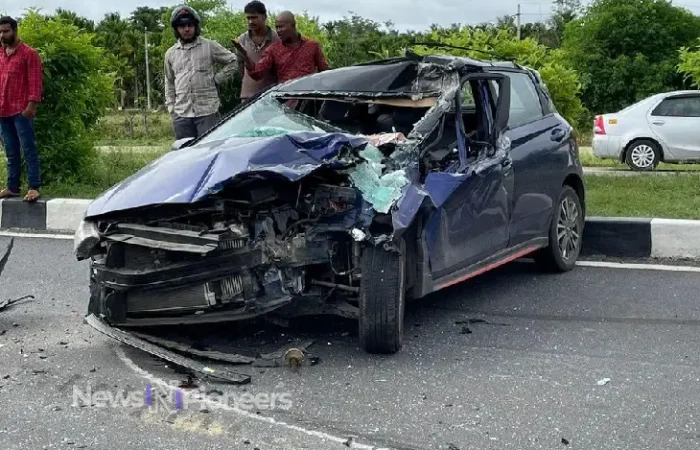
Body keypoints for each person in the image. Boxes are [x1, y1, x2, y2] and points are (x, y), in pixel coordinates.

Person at [164, 5, 239, 140]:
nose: (186, 29)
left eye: (190, 25)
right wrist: (171, 108)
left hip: (207, 111)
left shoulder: (209, 46)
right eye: (182, 26)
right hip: (182, 114)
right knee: (184, 154)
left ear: (195, 26)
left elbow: (233, 61)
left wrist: (218, 79)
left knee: (208, 150)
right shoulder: (171, 53)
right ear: (176, 29)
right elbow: (169, 81)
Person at [0, 16, 43, 202]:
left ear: (15, 30)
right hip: (3, 110)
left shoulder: (29, 54)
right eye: (0, 31)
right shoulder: (0, 54)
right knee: (11, 151)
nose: (2, 35)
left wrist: (31, 105)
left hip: (21, 110)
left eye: (6, 31)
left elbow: (35, 82)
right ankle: (13, 187)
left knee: (28, 148)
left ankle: (34, 187)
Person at [233, 11, 328, 85]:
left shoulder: (312, 46)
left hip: (309, 100)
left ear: (293, 25)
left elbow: (324, 72)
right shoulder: (273, 49)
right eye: (276, 27)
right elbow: (257, 73)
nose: (278, 31)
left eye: (281, 27)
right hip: (285, 100)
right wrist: (245, 55)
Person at [234, 1, 280, 101]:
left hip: (271, 96)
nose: (251, 21)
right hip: (247, 98)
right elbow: (240, 65)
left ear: (264, 17)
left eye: (254, 18)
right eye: (248, 18)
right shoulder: (242, 39)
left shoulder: (276, 39)